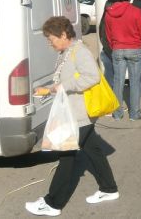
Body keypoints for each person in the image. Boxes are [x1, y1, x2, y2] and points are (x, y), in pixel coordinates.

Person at [25, 16, 119, 216]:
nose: (50, 43)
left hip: (79, 115)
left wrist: (61, 87)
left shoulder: (79, 52)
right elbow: (64, 82)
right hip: (76, 113)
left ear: (64, 34)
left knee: (66, 156)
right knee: (93, 150)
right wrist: (49, 90)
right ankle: (109, 189)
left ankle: (53, 203)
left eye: (51, 38)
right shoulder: (67, 52)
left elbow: (92, 77)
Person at [105, 0, 141, 121]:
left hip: (117, 49)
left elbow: (108, 34)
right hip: (135, 49)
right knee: (135, 81)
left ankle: (117, 113)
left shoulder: (109, 12)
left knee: (118, 81)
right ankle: (134, 113)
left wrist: (114, 46)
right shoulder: (136, 12)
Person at [98, 0, 118, 90]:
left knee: (110, 78)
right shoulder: (107, 21)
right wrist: (112, 54)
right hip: (108, 54)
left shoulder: (104, 20)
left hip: (106, 53)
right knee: (111, 80)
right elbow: (104, 40)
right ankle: (111, 101)